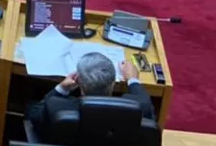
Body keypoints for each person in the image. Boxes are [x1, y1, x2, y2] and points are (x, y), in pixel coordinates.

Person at [26, 52, 154, 138]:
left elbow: (35, 115)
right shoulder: (140, 108)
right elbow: (144, 101)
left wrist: (61, 88)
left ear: (79, 82)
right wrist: (132, 79)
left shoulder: (57, 106)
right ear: (113, 83)